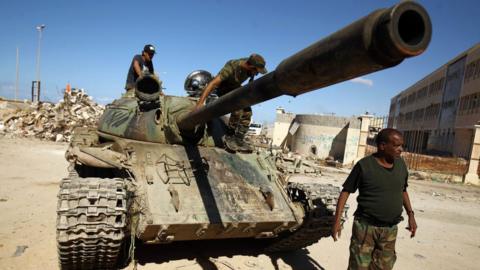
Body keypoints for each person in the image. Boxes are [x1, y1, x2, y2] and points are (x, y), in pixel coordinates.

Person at [332, 128, 417, 270]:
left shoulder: (401, 166)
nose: (400, 149)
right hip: (365, 228)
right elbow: (346, 192)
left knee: (384, 267)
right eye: (396, 145)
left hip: (390, 230)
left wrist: (411, 214)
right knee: (359, 267)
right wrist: (336, 221)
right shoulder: (364, 166)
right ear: (383, 146)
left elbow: (403, 190)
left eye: (402, 145)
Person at [196, 53, 267, 152]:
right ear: (250, 66)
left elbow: (250, 83)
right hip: (222, 89)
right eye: (256, 71)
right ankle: (229, 136)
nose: (256, 74)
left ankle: (238, 139)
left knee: (247, 110)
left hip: (234, 87)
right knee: (237, 108)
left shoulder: (250, 66)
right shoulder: (232, 67)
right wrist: (200, 104)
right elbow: (212, 84)